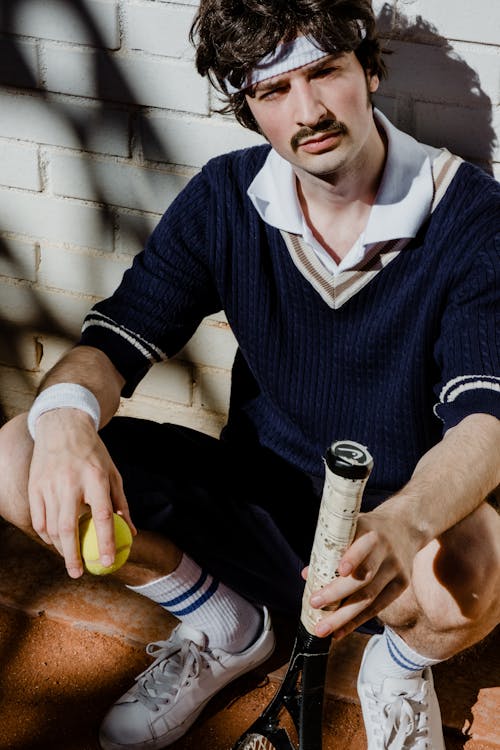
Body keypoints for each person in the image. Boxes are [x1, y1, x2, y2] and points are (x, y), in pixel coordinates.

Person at [0, 0, 499, 748]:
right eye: (274, 91)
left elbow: (487, 424)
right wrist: (68, 420)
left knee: (481, 558)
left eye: (326, 72)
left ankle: (395, 669)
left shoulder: (471, 216)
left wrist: (405, 522)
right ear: (249, 107)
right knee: (18, 451)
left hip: (393, 524)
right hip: (258, 494)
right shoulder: (226, 196)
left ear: (366, 69)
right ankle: (228, 625)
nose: (310, 110)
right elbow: (113, 340)